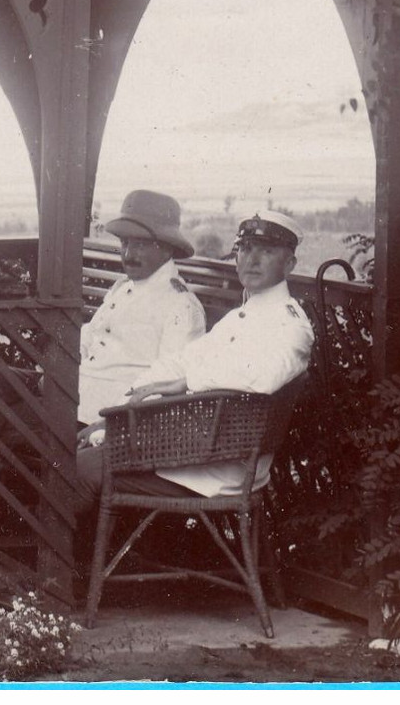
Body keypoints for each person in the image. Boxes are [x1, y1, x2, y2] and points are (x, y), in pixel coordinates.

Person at [77, 210, 313, 502]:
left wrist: (186, 381)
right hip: (193, 450)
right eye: (246, 249)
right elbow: (177, 361)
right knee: (81, 452)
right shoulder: (240, 317)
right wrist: (122, 408)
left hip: (216, 469)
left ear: (289, 264)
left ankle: (66, 549)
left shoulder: (290, 325)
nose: (252, 260)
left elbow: (266, 375)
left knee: (78, 469)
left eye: (267, 251)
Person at [78, 190, 207, 425]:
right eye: (125, 243)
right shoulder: (123, 288)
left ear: (167, 249)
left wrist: (112, 421)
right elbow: (91, 333)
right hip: (72, 395)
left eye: (140, 245)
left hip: (101, 417)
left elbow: (170, 376)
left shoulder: (180, 305)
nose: (128, 254)